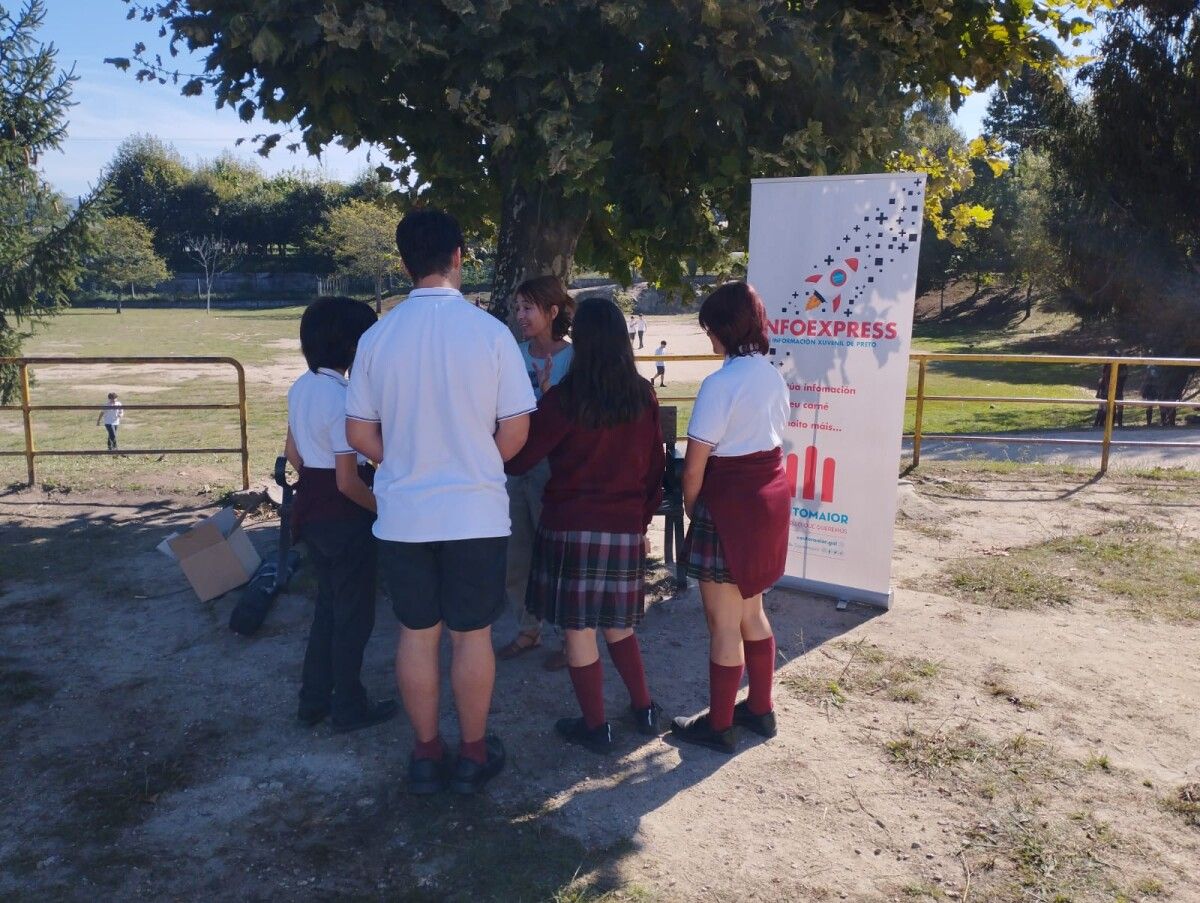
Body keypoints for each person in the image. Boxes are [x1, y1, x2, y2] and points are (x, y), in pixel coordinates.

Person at [346, 209, 536, 795]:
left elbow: (359, 435)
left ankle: (427, 753)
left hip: (403, 514)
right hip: (475, 510)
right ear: (459, 255)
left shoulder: (377, 337)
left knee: (416, 633)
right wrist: (473, 463)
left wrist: (406, 462)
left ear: (404, 263)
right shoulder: (492, 334)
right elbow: (516, 430)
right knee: (472, 635)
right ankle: (474, 753)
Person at [506, 297, 665, 753]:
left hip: (571, 525)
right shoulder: (642, 393)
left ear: (581, 341)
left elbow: (522, 460)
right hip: (623, 526)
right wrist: (641, 516)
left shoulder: (565, 398)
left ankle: (596, 727)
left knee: (579, 632)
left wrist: (534, 401)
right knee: (620, 626)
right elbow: (654, 465)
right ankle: (644, 708)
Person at [671, 282, 790, 755]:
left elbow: (695, 465)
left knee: (722, 624)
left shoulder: (720, 384)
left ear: (724, 328)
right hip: (767, 504)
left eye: (710, 329)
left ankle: (720, 724)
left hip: (728, 508)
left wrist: (692, 506)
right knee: (751, 612)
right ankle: (760, 709)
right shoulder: (773, 375)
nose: (708, 338)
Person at [285, 297, 397, 735]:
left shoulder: (301, 386)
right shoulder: (344, 398)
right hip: (344, 515)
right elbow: (350, 482)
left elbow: (294, 453)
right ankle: (348, 704)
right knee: (355, 616)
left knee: (328, 608)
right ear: (352, 346)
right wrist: (386, 509)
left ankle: (312, 700)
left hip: (310, 505)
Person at [497, 276, 575, 671]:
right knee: (517, 554)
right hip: (513, 467)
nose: (520, 315)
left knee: (557, 557)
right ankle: (528, 629)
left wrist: (547, 395)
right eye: (517, 307)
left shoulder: (574, 359)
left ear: (552, 311)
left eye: (528, 307)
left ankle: (569, 638)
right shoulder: (509, 354)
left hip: (556, 472)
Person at [1092, 364, 1128, 428]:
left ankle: (1117, 424)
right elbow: (1104, 377)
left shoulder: (1122, 366)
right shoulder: (1108, 366)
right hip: (1109, 390)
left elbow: (1124, 374)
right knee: (1105, 407)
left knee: (1118, 407)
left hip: (1117, 389)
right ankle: (1100, 423)